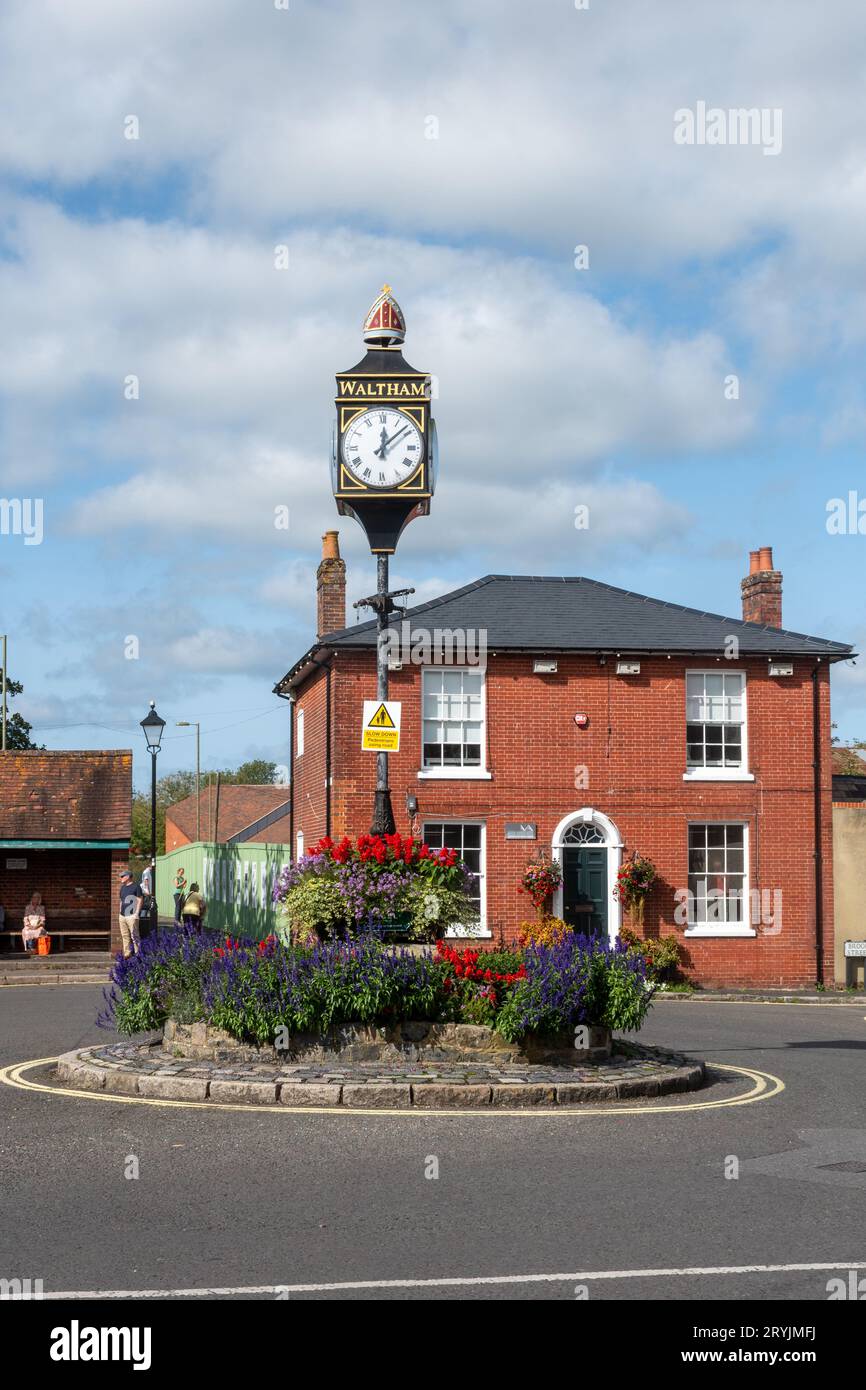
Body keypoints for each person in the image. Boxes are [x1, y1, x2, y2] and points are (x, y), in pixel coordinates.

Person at [118, 870, 142, 959]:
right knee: (124, 935)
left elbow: (140, 900)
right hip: (122, 916)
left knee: (135, 936)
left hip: (132, 915)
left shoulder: (136, 886)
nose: (121, 878)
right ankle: (127, 954)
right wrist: (120, 912)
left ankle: (138, 954)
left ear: (128, 877)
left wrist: (136, 913)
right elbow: (121, 900)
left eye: (122, 876)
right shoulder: (123, 888)